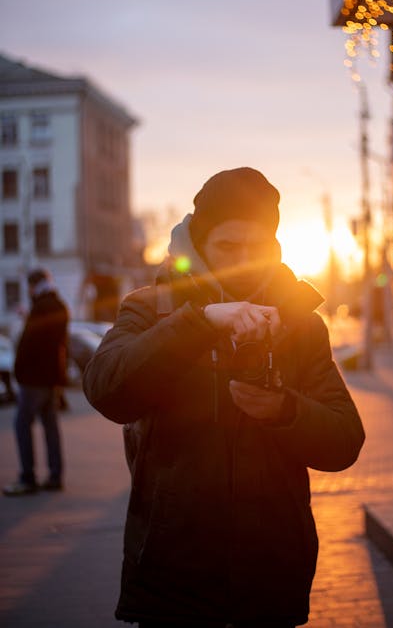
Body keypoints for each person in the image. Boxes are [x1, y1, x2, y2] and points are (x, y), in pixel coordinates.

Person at [83, 167, 365, 628]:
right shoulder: (150, 307)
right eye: (228, 246)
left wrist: (285, 410)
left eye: (255, 247)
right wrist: (201, 321)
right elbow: (106, 390)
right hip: (172, 572)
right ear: (200, 244)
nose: (242, 259)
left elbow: (345, 440)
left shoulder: (300, 323)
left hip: (271, 572)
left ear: (272, 249)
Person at [3, 268, 68, 496]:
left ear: (35, 286)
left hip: (34, 380)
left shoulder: (41, 308)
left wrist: (20, 371)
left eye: (30, 286)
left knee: (22, 425)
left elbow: (32, 344)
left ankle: (28, 478)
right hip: (50, 379)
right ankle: (55, 476)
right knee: (50, 426)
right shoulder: (57, 305)